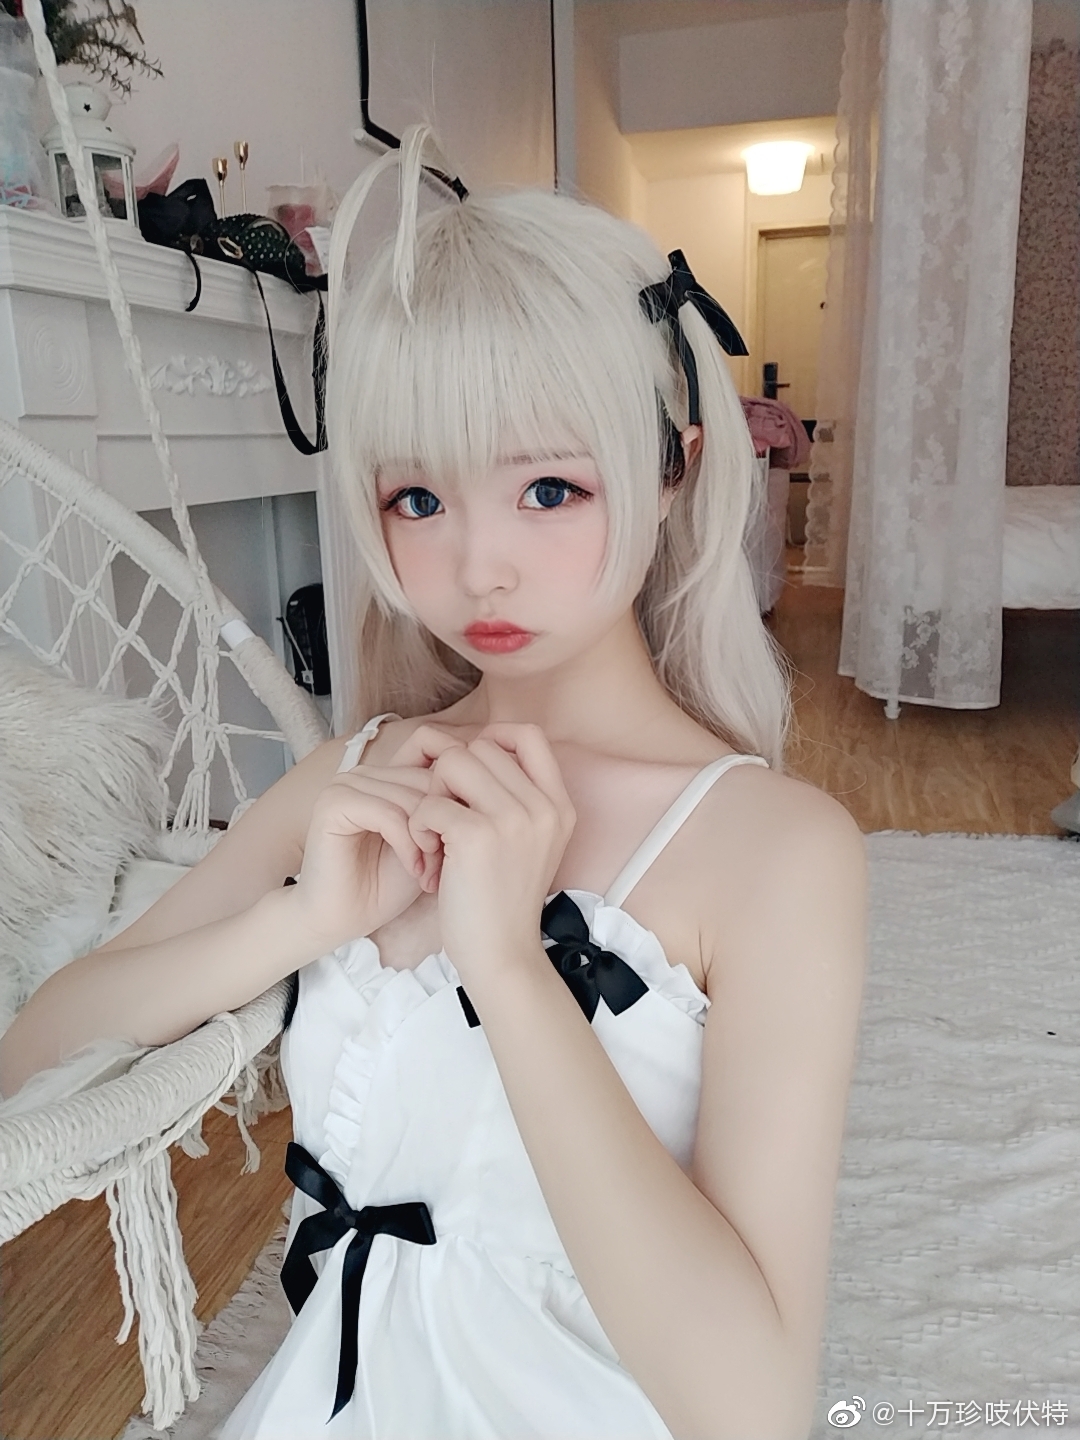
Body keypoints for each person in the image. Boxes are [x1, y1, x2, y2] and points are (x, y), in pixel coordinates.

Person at [0, 125, 867, 1440]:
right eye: (418, 499)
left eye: (550, 489)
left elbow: (750, 1409)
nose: (479, 567)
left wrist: (510, 970)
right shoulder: (357, 781)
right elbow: (35, 1055)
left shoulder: (776, 851)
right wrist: (299, 923)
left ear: (674, 467)